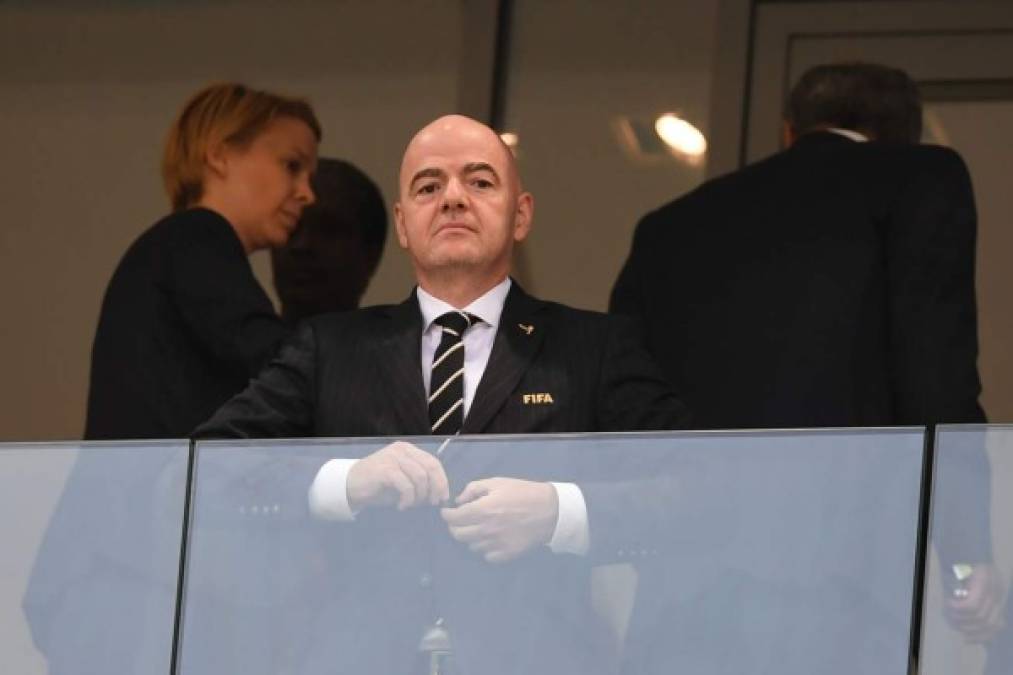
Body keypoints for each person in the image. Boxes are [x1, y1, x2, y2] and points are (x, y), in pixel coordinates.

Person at [195, 114, 691, 675]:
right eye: (429, 186)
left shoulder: (595, 348)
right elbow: (206, 467)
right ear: (404, 225)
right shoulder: (329, 347)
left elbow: (696, 487)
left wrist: (559, 511)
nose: (453, 198)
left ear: (520, 214)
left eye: (479, 182)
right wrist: (343, 482)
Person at [609, 61, 1000, 659]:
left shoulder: (667, 228)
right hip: (838, 580)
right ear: (906, 135)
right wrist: (968, 554)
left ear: (789, 131)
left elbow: (626, 405)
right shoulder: (920, 178)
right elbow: (935, 372)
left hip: (679, 589)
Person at [84, 82, 319, 440]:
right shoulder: (196, 234)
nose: (307, 193)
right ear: (220, 155)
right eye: (291, 165)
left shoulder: (176, 244)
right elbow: (275, 360)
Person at [270, 157, 388, 322]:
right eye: (292, 226)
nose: (302, 245)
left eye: (327, 230)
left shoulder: (410, 346)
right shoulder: (231, 345)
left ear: (371, 254)